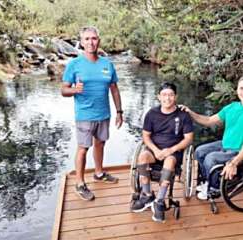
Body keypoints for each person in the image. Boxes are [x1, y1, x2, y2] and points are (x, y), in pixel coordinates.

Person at [180, 76, 243, 200]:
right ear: (237, 90)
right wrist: (190, 112)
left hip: (242, 149)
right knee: (200, 151)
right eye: (241, 88)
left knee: (211, 158)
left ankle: (215, 188)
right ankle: (208, 181)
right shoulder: (231, 107)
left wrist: (234, 162)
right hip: (225, 144)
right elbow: (209, 120)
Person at [61, 26, 123, 201]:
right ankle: (80, 184)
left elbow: (115, 89)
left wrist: (119, 111)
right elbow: (63, 90)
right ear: (81, 42)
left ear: (99, 41)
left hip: (104, 113)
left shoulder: (107, 64)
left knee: (100, 144)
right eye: (87, 39)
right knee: (83, 149)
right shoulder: (74, 65)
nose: (91, 42)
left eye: (94, 38)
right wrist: (74, 90)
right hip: (85, 115)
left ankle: (99, 173)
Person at [130, 82, 194, 223]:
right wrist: (155, 150)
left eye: (170, 95)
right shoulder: (152, 113)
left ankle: (160, 200)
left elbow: (189, 138)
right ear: (159, 97)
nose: (167, 98)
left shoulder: (183, 115)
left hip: (173, 152)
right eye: (164, 95)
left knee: (170, 161)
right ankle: (147, 195)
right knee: (142, 157)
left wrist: (170, 150)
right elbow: (146, 136)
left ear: (176, 96)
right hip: (155, 150)